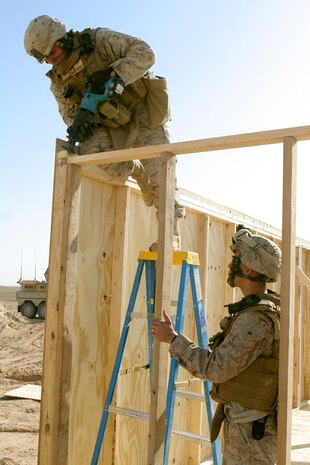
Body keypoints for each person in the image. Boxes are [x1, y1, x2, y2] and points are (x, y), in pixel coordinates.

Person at [24, 15, 185, 251]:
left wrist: (116, 74)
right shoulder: (58, 81)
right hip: (112, 122)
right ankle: (135, 170)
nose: (51, 60)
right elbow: (69, 113)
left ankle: (171, 236)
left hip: (143, 110)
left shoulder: (98, 41)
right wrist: (82, 120)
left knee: (161, 171)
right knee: (88, 154)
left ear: (63, 39)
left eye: (53, 52)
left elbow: (146, 53)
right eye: (46, 58)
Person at [151, 226, 281, 465]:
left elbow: (216, 369)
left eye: (238, 258)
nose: (233, 264)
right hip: (248, 427)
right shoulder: (259, 310)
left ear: (249, 268)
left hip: (250, 436)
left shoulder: (255, 320)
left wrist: (173, 339)